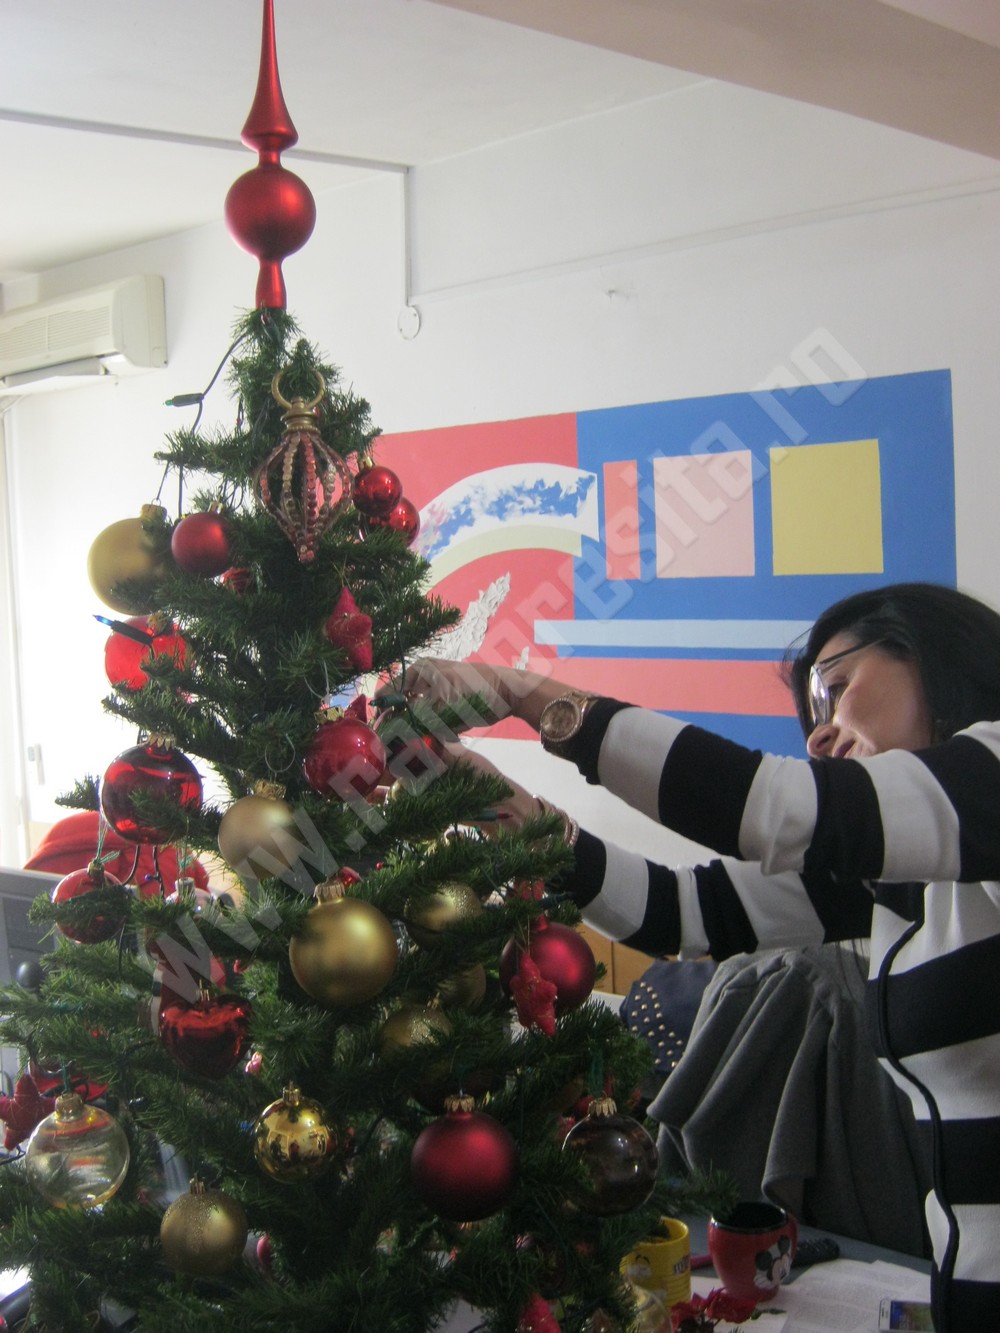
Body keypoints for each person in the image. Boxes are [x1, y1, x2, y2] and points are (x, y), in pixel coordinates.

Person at [379, 582, 1000, 1333]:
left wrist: (516, 691)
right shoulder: (902, 876)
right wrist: (486, 795)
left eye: (835, 689)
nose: (819, 735)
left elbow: (771, 807)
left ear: (938, 657)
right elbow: (680, 910)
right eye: (814, 711)